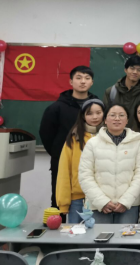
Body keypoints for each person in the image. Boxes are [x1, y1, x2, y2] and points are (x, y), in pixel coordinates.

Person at [40, 65, 98, 212]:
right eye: (78, 78)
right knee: (59, 200)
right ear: (71, 82)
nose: (83, 81)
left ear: (92, 82)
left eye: (87, 78)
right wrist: (60, 153)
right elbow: (46, 135)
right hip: (63, 162)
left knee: (93, 200)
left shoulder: (98, 107)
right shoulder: (56, 108)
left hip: (95, 162)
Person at [78, 104, 140, 223]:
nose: (117, 118)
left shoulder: (137, 143)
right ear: (105, 120)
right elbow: (85, 175)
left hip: (128, 206)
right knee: (99, 235)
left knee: (125, 235)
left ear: (127, 120)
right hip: (98, 206)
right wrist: (102, 202)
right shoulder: (92, 143)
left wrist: (125, 201)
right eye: (112, 115)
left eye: (121, 115)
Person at [56, 99, 104, 223]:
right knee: (76, 234)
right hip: (77, 199)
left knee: (99, 233)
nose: (95, 117)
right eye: (89, 113)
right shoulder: (74, 138)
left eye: (98, 112)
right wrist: (63, 203)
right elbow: (64, 171)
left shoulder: (110, 137)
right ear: (82, 116)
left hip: (102, 198)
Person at [104, 56, 140, 130]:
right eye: (132, 68)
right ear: (125, 70)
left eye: (139, 70)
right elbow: (105, 116)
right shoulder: (111, 92)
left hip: (137, 134)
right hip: (115, 133)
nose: (135, 72)